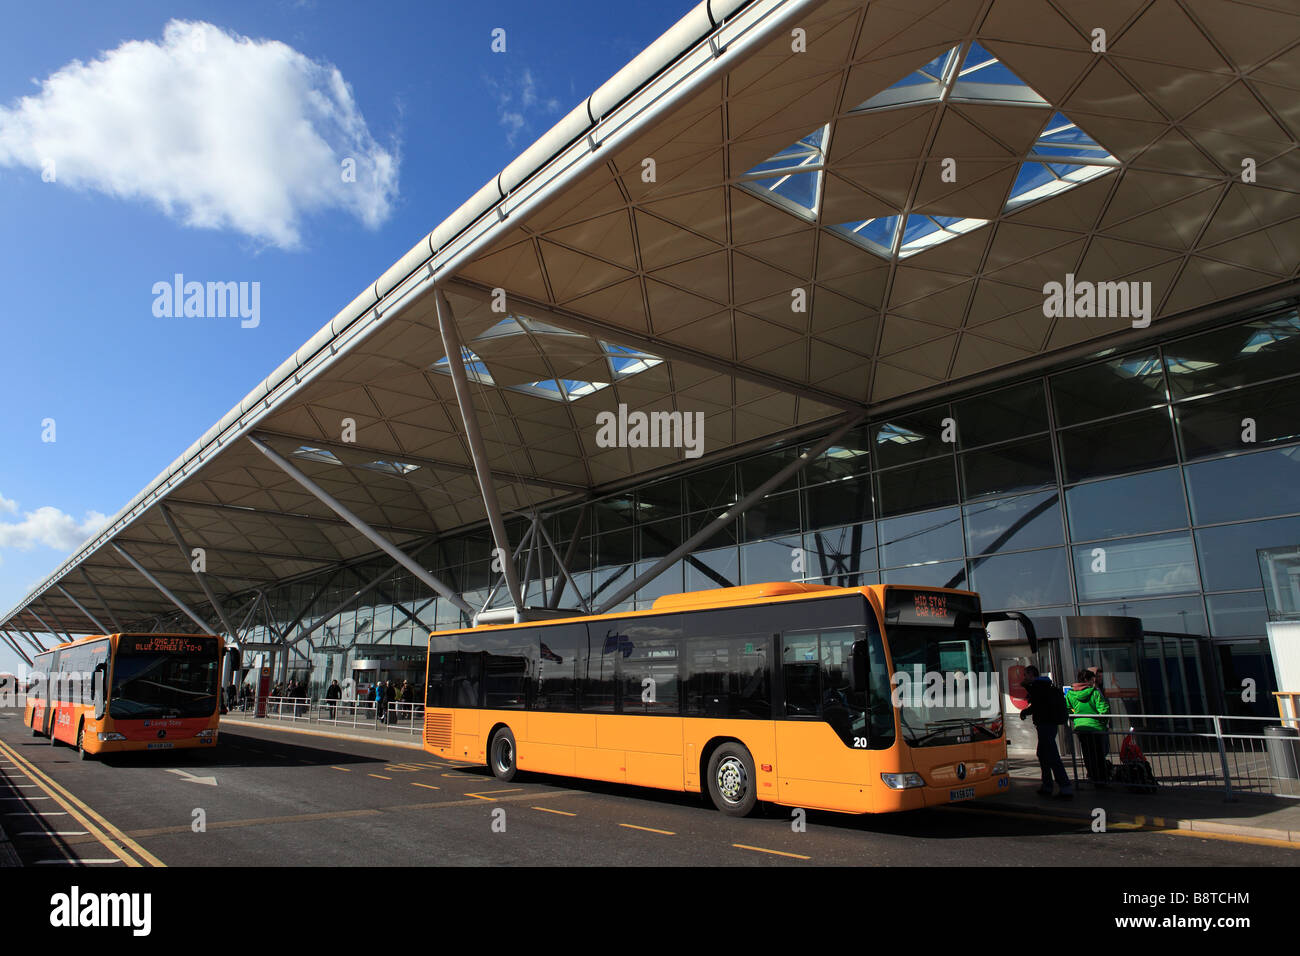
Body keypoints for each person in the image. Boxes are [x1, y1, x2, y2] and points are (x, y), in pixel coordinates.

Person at [1019, 665, 1072, 798]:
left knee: (1052, 756)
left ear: (1031, 675)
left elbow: (1037, 705)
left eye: (1026, 674)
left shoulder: (1038, 687)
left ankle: (1064, 787)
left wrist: (1025, 711)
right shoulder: (1045, 686)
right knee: (1043, 754)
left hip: (1045, 725)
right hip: (1049, 724)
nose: (1024, 677)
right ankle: (1047, 785)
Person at [1066, 668, 1111, 787]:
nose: (1093, 682)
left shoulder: (1071, 694)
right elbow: (1104, 709)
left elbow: (1067, 708)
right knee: (1099, 754)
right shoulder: (1094, 692)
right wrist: (1102, 722)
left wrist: (1076, 717)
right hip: (1096, 727)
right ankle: (1101, 779)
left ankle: (1092, 775)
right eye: (1092, 680)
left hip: (1081, 727)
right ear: (1087, 680)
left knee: (1087, 754)